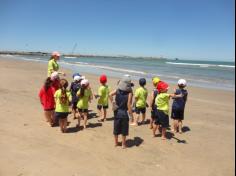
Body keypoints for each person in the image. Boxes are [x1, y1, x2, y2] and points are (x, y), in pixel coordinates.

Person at [109, 76, 133, 149]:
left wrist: (113, 102)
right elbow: (129, 105)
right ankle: (123, 144)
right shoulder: (129, 94)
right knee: (124, 130)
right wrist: (131, 116)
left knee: (116, 128)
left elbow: (110, 94)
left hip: (117, 113)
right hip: (124, 113)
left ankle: (116, 143)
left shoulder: (117, 90)